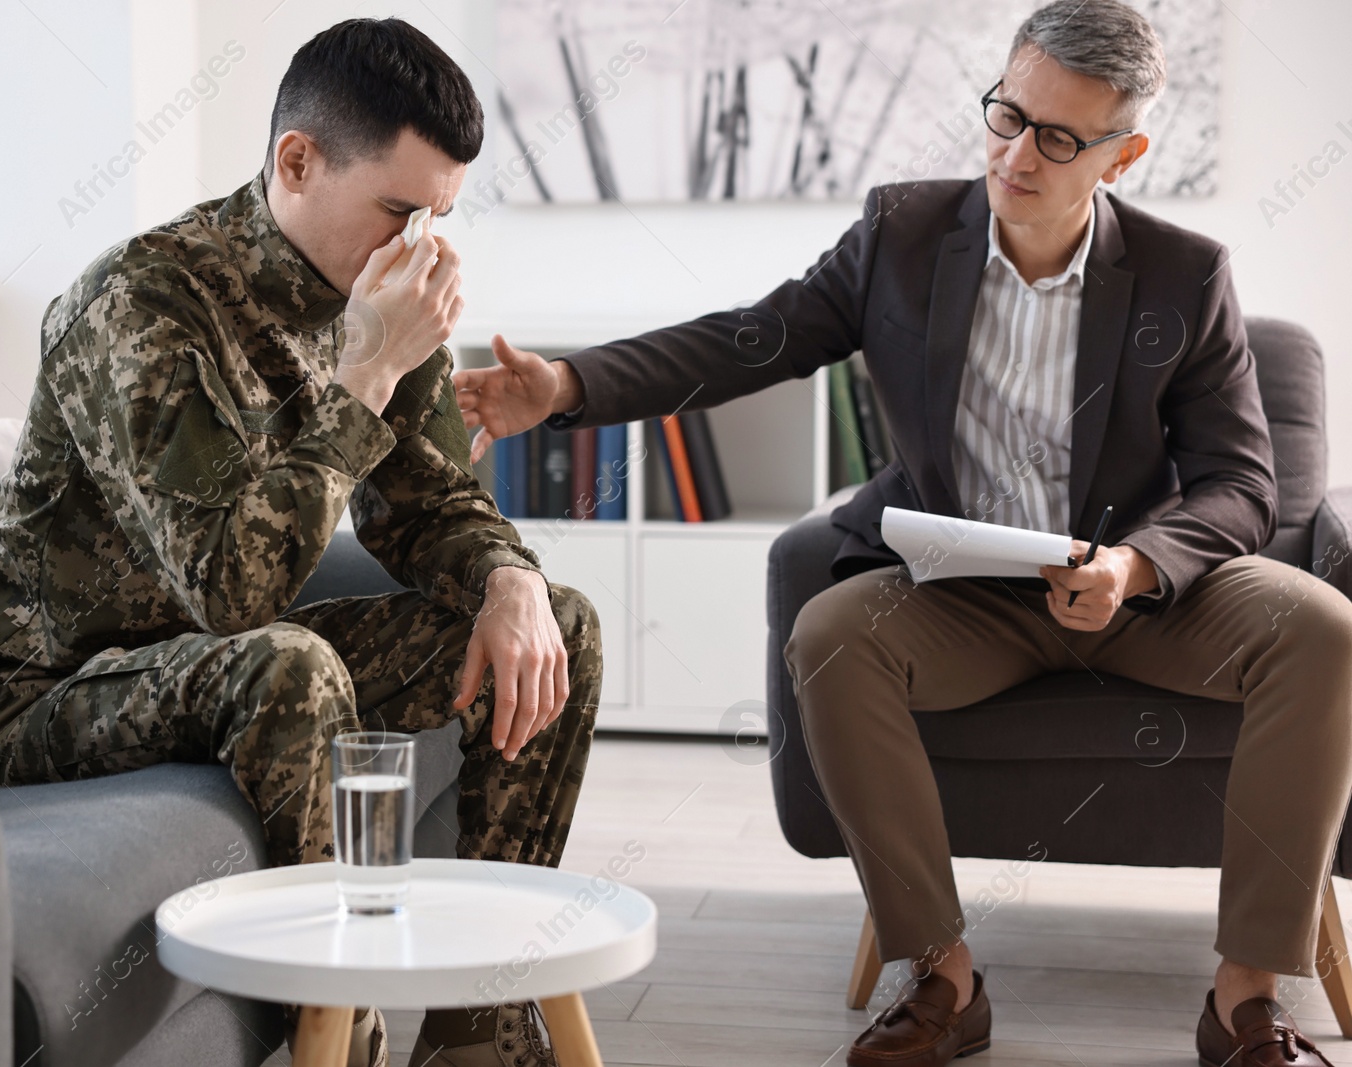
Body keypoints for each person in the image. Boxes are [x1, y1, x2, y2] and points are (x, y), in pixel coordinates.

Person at [454, 2, 1352, 1064]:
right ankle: (941, 976)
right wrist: (565, 383)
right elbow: (756, 339)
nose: (1017, 153)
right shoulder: (903, 234)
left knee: (1322, 626)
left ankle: (1247, 996)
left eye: (1059, 138)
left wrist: (1135, 563)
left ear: (1123, 154)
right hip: (964, 594)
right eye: (1007, 115)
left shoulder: (1182, 274)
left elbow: (1242, 484)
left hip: (1137, 589)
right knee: (831, 632)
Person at [0, 18, 598, 1067]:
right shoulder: (142, 302)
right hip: (45, 695)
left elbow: (427, 503)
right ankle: (347, 1040)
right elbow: (232, 595)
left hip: (215, 666)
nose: (415, 249)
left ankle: (480, 1033)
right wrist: (366, 375)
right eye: (395, 211)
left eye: (435, 219)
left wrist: (508, 575)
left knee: (554, 620)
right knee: (287, 663)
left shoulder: (384, 299)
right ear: (297, 160)